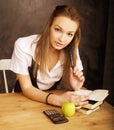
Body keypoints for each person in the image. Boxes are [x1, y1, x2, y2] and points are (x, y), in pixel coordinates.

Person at [10, 5, 89, 108]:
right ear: (49, 26)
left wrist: (73, 86)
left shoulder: (71, 51)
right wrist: (57, 100)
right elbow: (27, 88)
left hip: (48, 105)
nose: (62, 39)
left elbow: (70, 87)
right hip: (21, 102)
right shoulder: (23, 45)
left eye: (69, 34)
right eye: (58, 30)